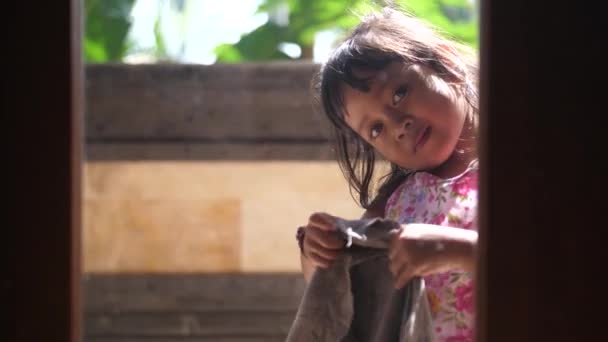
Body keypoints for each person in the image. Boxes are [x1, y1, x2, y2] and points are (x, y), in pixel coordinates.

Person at [296, 7, 479, 341]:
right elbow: (343, 281)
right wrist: (318, 252)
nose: (398, 126)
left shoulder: (520, 163)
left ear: (447, 64)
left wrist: (457, 249)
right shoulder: (397, 203)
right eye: (376, 128)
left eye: (399, 93)